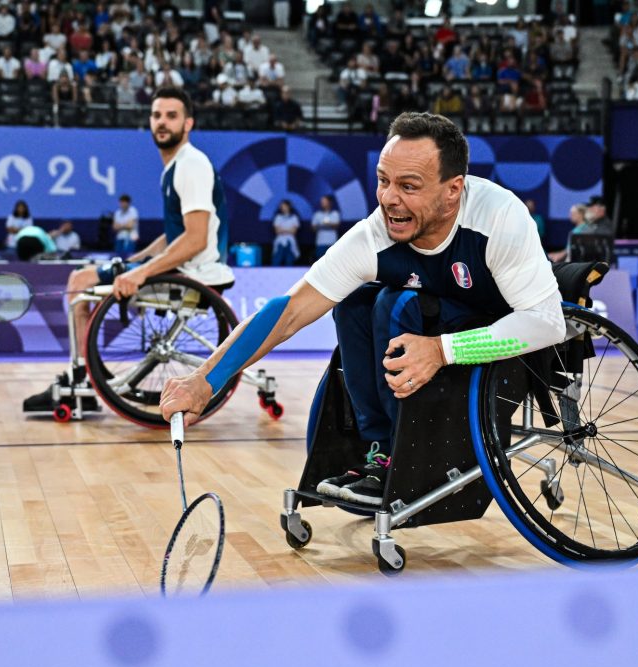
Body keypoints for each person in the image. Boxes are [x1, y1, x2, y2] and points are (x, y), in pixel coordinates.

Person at [160, 113, 566, 506]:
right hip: (436, 326)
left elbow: (547, 324)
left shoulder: (499, 217)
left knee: (396, 302)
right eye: (383, 181)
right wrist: (206, 380)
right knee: (355, 302)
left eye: (409, 186)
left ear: (452, 191)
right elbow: (289, 312)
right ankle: (381, 450)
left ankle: (404, 453)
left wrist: (444, 350)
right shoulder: (375, 234)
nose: (390, 198)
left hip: (498, 343)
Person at [25, 86, 234, 410]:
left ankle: (80, 380)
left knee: (80, 283)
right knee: (85, 279)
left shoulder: (191, 164)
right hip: (188, 267)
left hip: (197, 273)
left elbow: (196, 239)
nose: (162, 122)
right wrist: (135, 261)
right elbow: (174, 235)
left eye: (171, 116)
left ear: (188, 124)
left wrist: (140, 273)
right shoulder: (175, 167)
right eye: (156, 115)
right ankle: (81, 374)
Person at [272, 199, 301, 266]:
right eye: (281, 206)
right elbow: (277, 231)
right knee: (277, 259)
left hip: (290, 240)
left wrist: (282, 230)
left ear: (288, 206)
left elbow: (293, 232)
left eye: (284, 206)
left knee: (289, 260)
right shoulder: (278, 217)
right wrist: (288, 230)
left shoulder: (294, 217)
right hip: (280, 241)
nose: (282, 208)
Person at [311, 195, 340, 261]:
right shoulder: (317, 214)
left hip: (332, 242)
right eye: (322, 201)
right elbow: (313, 228)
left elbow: (336, 226)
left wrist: (325, 224)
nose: (322, 203)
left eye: (324, 201)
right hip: (320, 242)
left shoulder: (335, 214)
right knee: (319, 261)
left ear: (329, 202)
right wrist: (326, 225)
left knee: (332, 261)